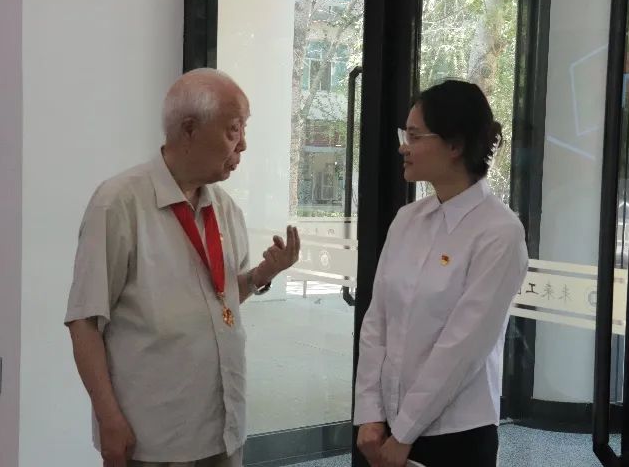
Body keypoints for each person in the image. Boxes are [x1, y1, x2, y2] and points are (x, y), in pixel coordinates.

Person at [65, 68, 300, 467]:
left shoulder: (225, 209)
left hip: (223, 430)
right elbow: (84, 321)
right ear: (189, 129)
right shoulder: (119, 203)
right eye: (234, 129)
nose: (243, 144)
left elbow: (221, 301)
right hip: (153, 440)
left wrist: (262, 275)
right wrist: (108, 419)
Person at [353, 79, 528, 467]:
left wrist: (405, 433)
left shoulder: (499, 232)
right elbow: (377, 321)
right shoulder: (407, 219)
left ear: (455, 145)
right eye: (405, 134)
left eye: (415, 136)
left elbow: (462, 348)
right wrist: (369, 412)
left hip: (456, 434)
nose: (404, 146)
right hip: (385, 429)